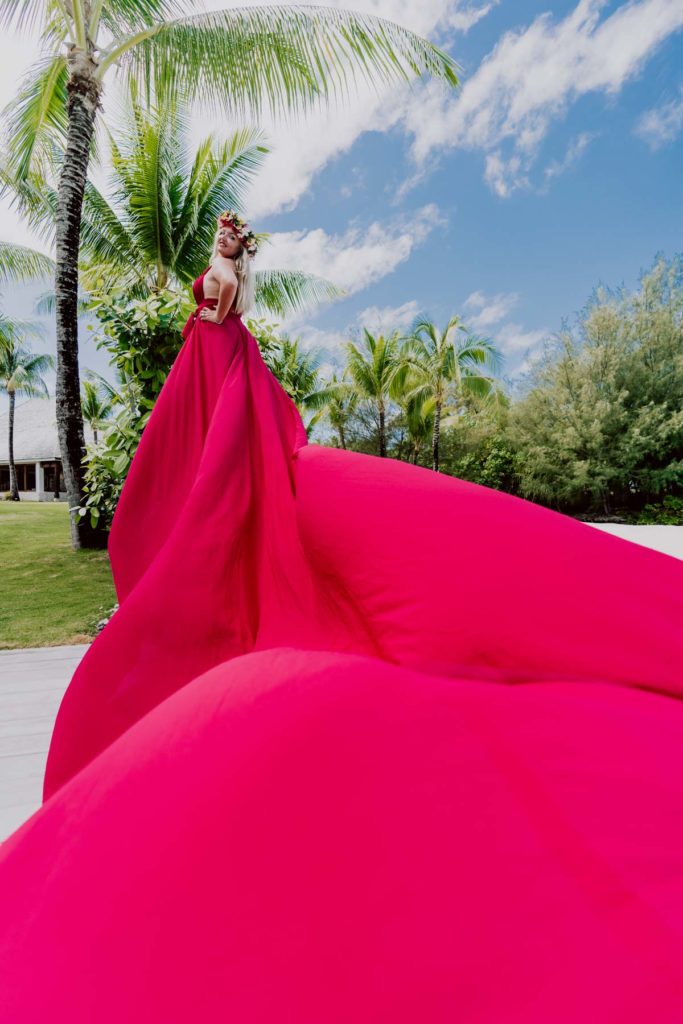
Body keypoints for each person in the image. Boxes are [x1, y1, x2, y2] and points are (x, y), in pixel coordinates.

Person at [1, 210, 683, 1022]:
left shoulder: (263, 408)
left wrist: (225, 293)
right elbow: (214, 336)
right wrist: (219, 294)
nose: (228, 254)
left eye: (234, 249)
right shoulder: (225, 362)